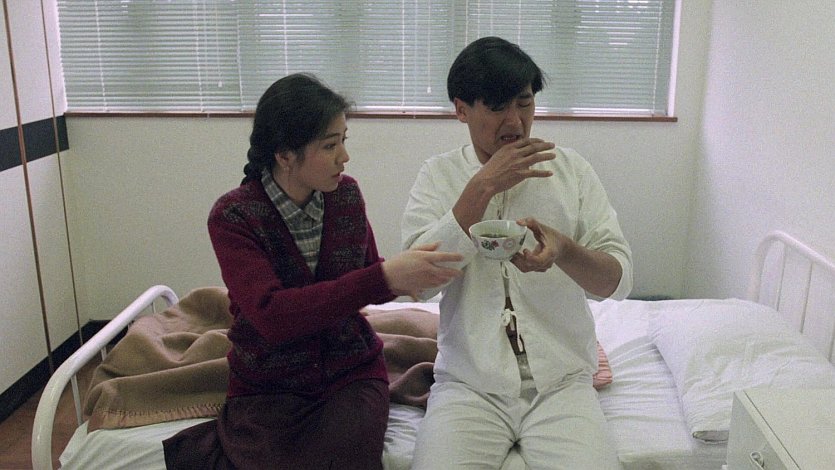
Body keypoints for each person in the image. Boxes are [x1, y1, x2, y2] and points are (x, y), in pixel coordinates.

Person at [162, 73, 462, 470]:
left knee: (349, 454)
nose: (344, 157)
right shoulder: (234, 216)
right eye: (330, 145)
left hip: (350, 371)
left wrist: (410, 274)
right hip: (268, 383)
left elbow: (368, 279)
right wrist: (385, 277)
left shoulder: (346, 196)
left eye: (344, 141)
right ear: (285, 155)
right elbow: (271, 315)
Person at [401, 37, 633, 469]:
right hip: (469, 385)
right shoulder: (438, 175)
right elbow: (417, 285)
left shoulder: (569, 171)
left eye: (524, 103)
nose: (515, 120)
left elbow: (615, 282)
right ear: (461, 109)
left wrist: (565, 251)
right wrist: (482, 187)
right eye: (496, 107)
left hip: (562, 383)